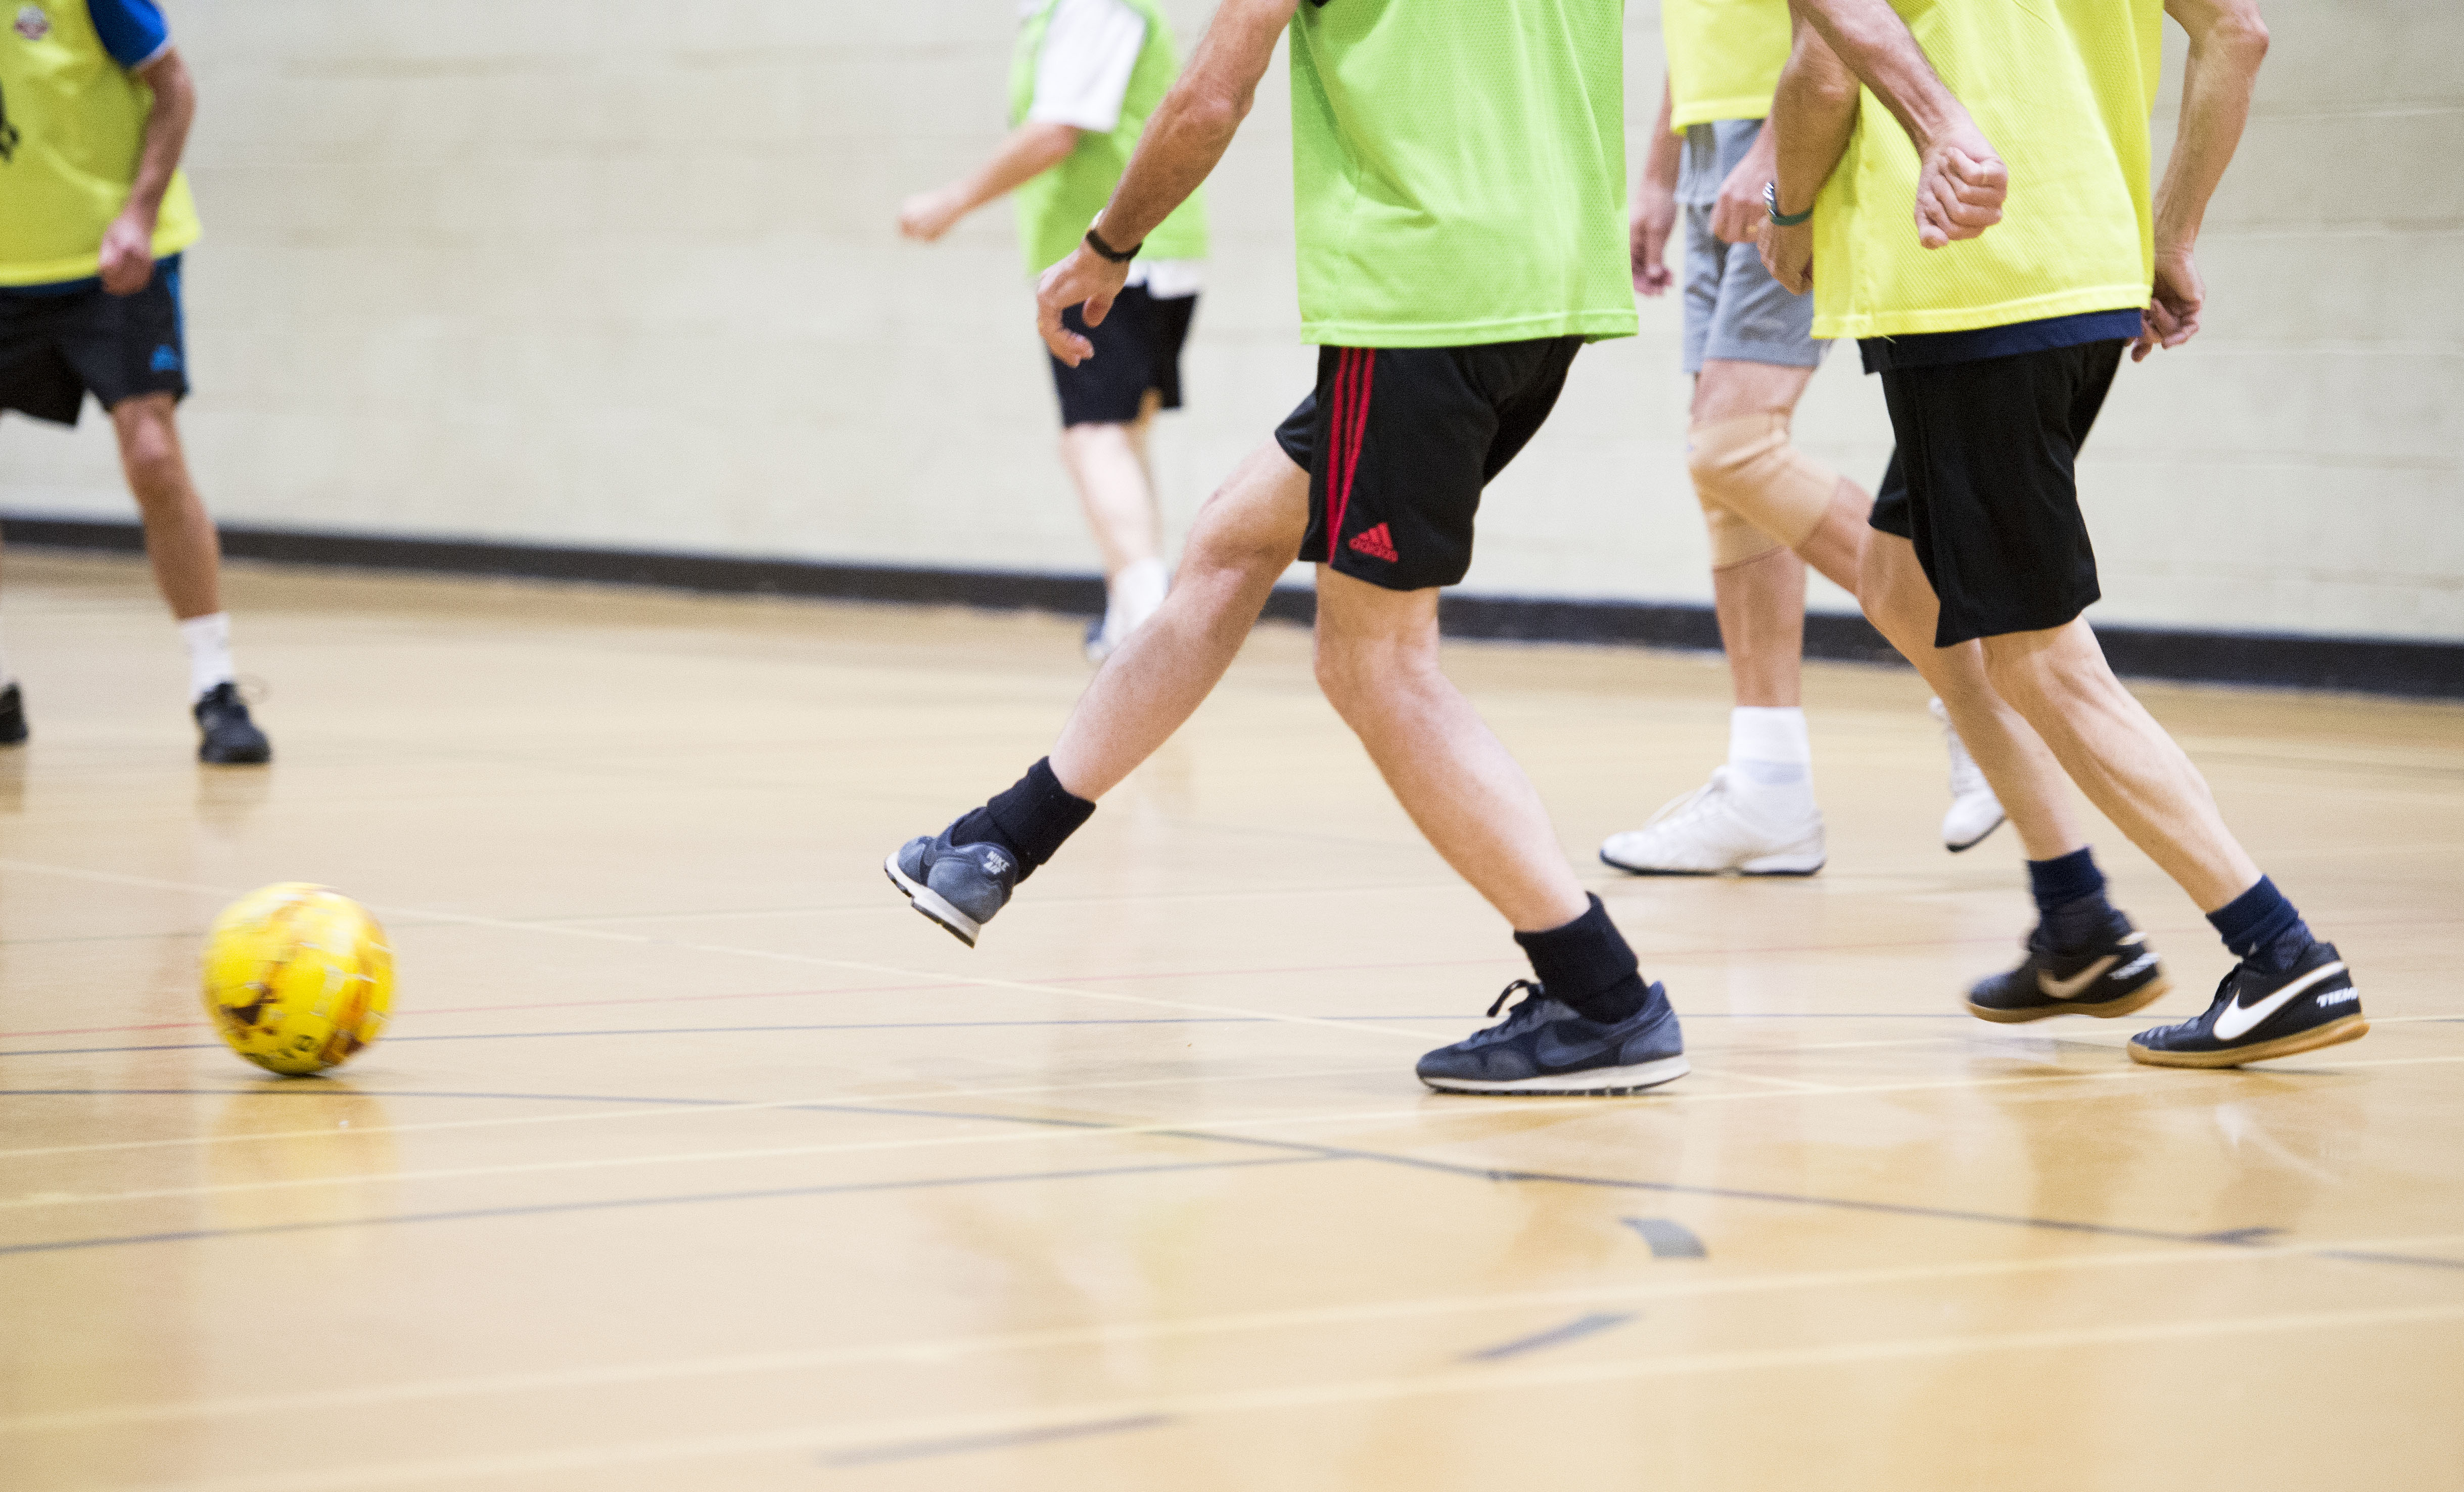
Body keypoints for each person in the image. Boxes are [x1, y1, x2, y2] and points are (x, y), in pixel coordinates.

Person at [885, 0, 1689, 1096]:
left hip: (1418, 301)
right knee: (1228, 540)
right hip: (1543, 293)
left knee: (1373, 664)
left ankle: (1601, 996)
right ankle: (995, 844)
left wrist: (1104, 247)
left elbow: (1208, 99)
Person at [1761, 0, 2362, 1067]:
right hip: (2082, 271)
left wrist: (1789, 207)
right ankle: (2077, 924)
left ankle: (2277, 952)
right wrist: (2166, 234)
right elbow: (2238, 34)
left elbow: (1822, 66)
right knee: (1899, 585)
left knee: (2039, 659)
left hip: (1973, 291)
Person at [1604, 0, 2005, 878]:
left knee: (1734, 445)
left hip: (1789, 130)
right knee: (1725, 479)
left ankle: (1986, 700)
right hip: (1720, 135)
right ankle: (1769, 786)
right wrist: (1665, 165)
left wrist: (1775, 152)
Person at [899, 0, 1208, 662]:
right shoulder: (1051, 16)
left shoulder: (1094, 7)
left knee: (1092, 437)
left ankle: (1149, 620)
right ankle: (1131, 614)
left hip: (1111, 257)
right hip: (1147, 255)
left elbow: (1055, 132)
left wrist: (951, 201)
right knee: (1120, 435)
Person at [0, 0, 269, 762]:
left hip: (112, 257)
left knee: (151, 457)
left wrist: (140, 214)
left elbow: (175, 87)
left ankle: (215, 685)